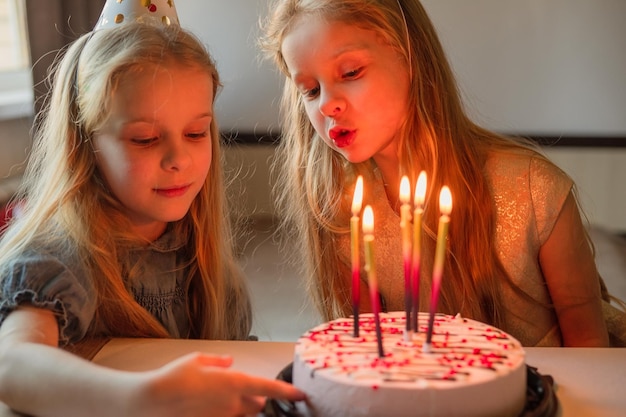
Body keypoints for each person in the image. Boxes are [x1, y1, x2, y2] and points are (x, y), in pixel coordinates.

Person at [260, 0, 626, 347]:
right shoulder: (341, 215)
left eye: (351, 72)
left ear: (411, 56)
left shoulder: (534, 191)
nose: (327, 104)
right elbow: (369, 356)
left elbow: (588, 348)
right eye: (309, 90)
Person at [0, 9, 304, 417]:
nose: (179, 158)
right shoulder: (58, 256)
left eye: (196, 133)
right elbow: (11, 365)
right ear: (85, 144)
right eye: (145, 138)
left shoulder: (204, 263)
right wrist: (140, 397)